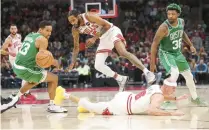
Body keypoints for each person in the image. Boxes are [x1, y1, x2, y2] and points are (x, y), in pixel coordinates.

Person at [67, 10, 156, 91]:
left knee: (122, 52)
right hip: (103, 38)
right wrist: (72, 62)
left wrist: (94, 38)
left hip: (111, 31)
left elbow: (107, 25)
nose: (72, 23)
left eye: (73, 20)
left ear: (78, 16)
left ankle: (147, 72)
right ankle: (120, 78)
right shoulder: (75, 29)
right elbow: (76, 47)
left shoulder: (89, 16)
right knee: (98, 65)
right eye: (70, 22)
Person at [150, 3, 207, 109]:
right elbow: (154, 45)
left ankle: (195, 99)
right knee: (174, 73)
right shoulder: (163, 27)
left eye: (173, 14)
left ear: (178, 14)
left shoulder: (181, 22)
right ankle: (166, 101)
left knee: (189, 76)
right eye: (168, 14)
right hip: (166, 53)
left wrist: (190, 45)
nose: (170, 16)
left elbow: (182, 33)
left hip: (177, 53)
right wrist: (152, 65)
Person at [3, 21, 67, 113]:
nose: (49, 33)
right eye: (47, 30)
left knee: (35, 80)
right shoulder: (43, 40)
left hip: (16, 66)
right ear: (40, 30)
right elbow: (41, 59)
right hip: (26, 69)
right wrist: (55, 63)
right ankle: (52, 106)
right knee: (54, 78)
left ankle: (15, 98)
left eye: (51, 31)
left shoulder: (30, 35)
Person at [54, 80, 188, 116]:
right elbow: (152, 110)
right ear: (166, 87)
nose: (174, 90)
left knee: (97, 106)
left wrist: (175, 99)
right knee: (93, 106)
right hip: (121, 107)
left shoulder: (157, 87)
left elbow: (161, 96)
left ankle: (84, 108)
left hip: (126, 97)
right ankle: (64, 94)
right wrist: (172, 112)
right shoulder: (158, 96)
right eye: (173, 88)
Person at [0, 24, 36, 100]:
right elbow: (2, 50)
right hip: (14, 59)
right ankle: (25, 92)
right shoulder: (8, 39)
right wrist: (10, 53)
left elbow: (19, 45)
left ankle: (25, 92)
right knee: (26, 74)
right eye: (12, 29)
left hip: (20, 57)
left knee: (28, 73)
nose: (13, 30)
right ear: (10, 30)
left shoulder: (19, 36)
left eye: (14, 28)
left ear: (17, 29)